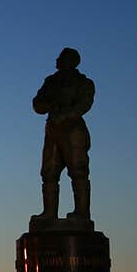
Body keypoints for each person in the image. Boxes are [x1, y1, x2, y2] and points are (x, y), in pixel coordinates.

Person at [31, 47, 96, 223]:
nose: (57, 60)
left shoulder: (83, 83)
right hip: (52, 130)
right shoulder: (51, 81)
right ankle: (49, 213)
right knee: (49, 172)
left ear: (71, 61)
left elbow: (84, 104)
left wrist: (66, 115)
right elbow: (37, 104)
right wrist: (50, 105)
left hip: (73, 130)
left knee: (78, 171)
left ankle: (82, 213)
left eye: (61, 57)